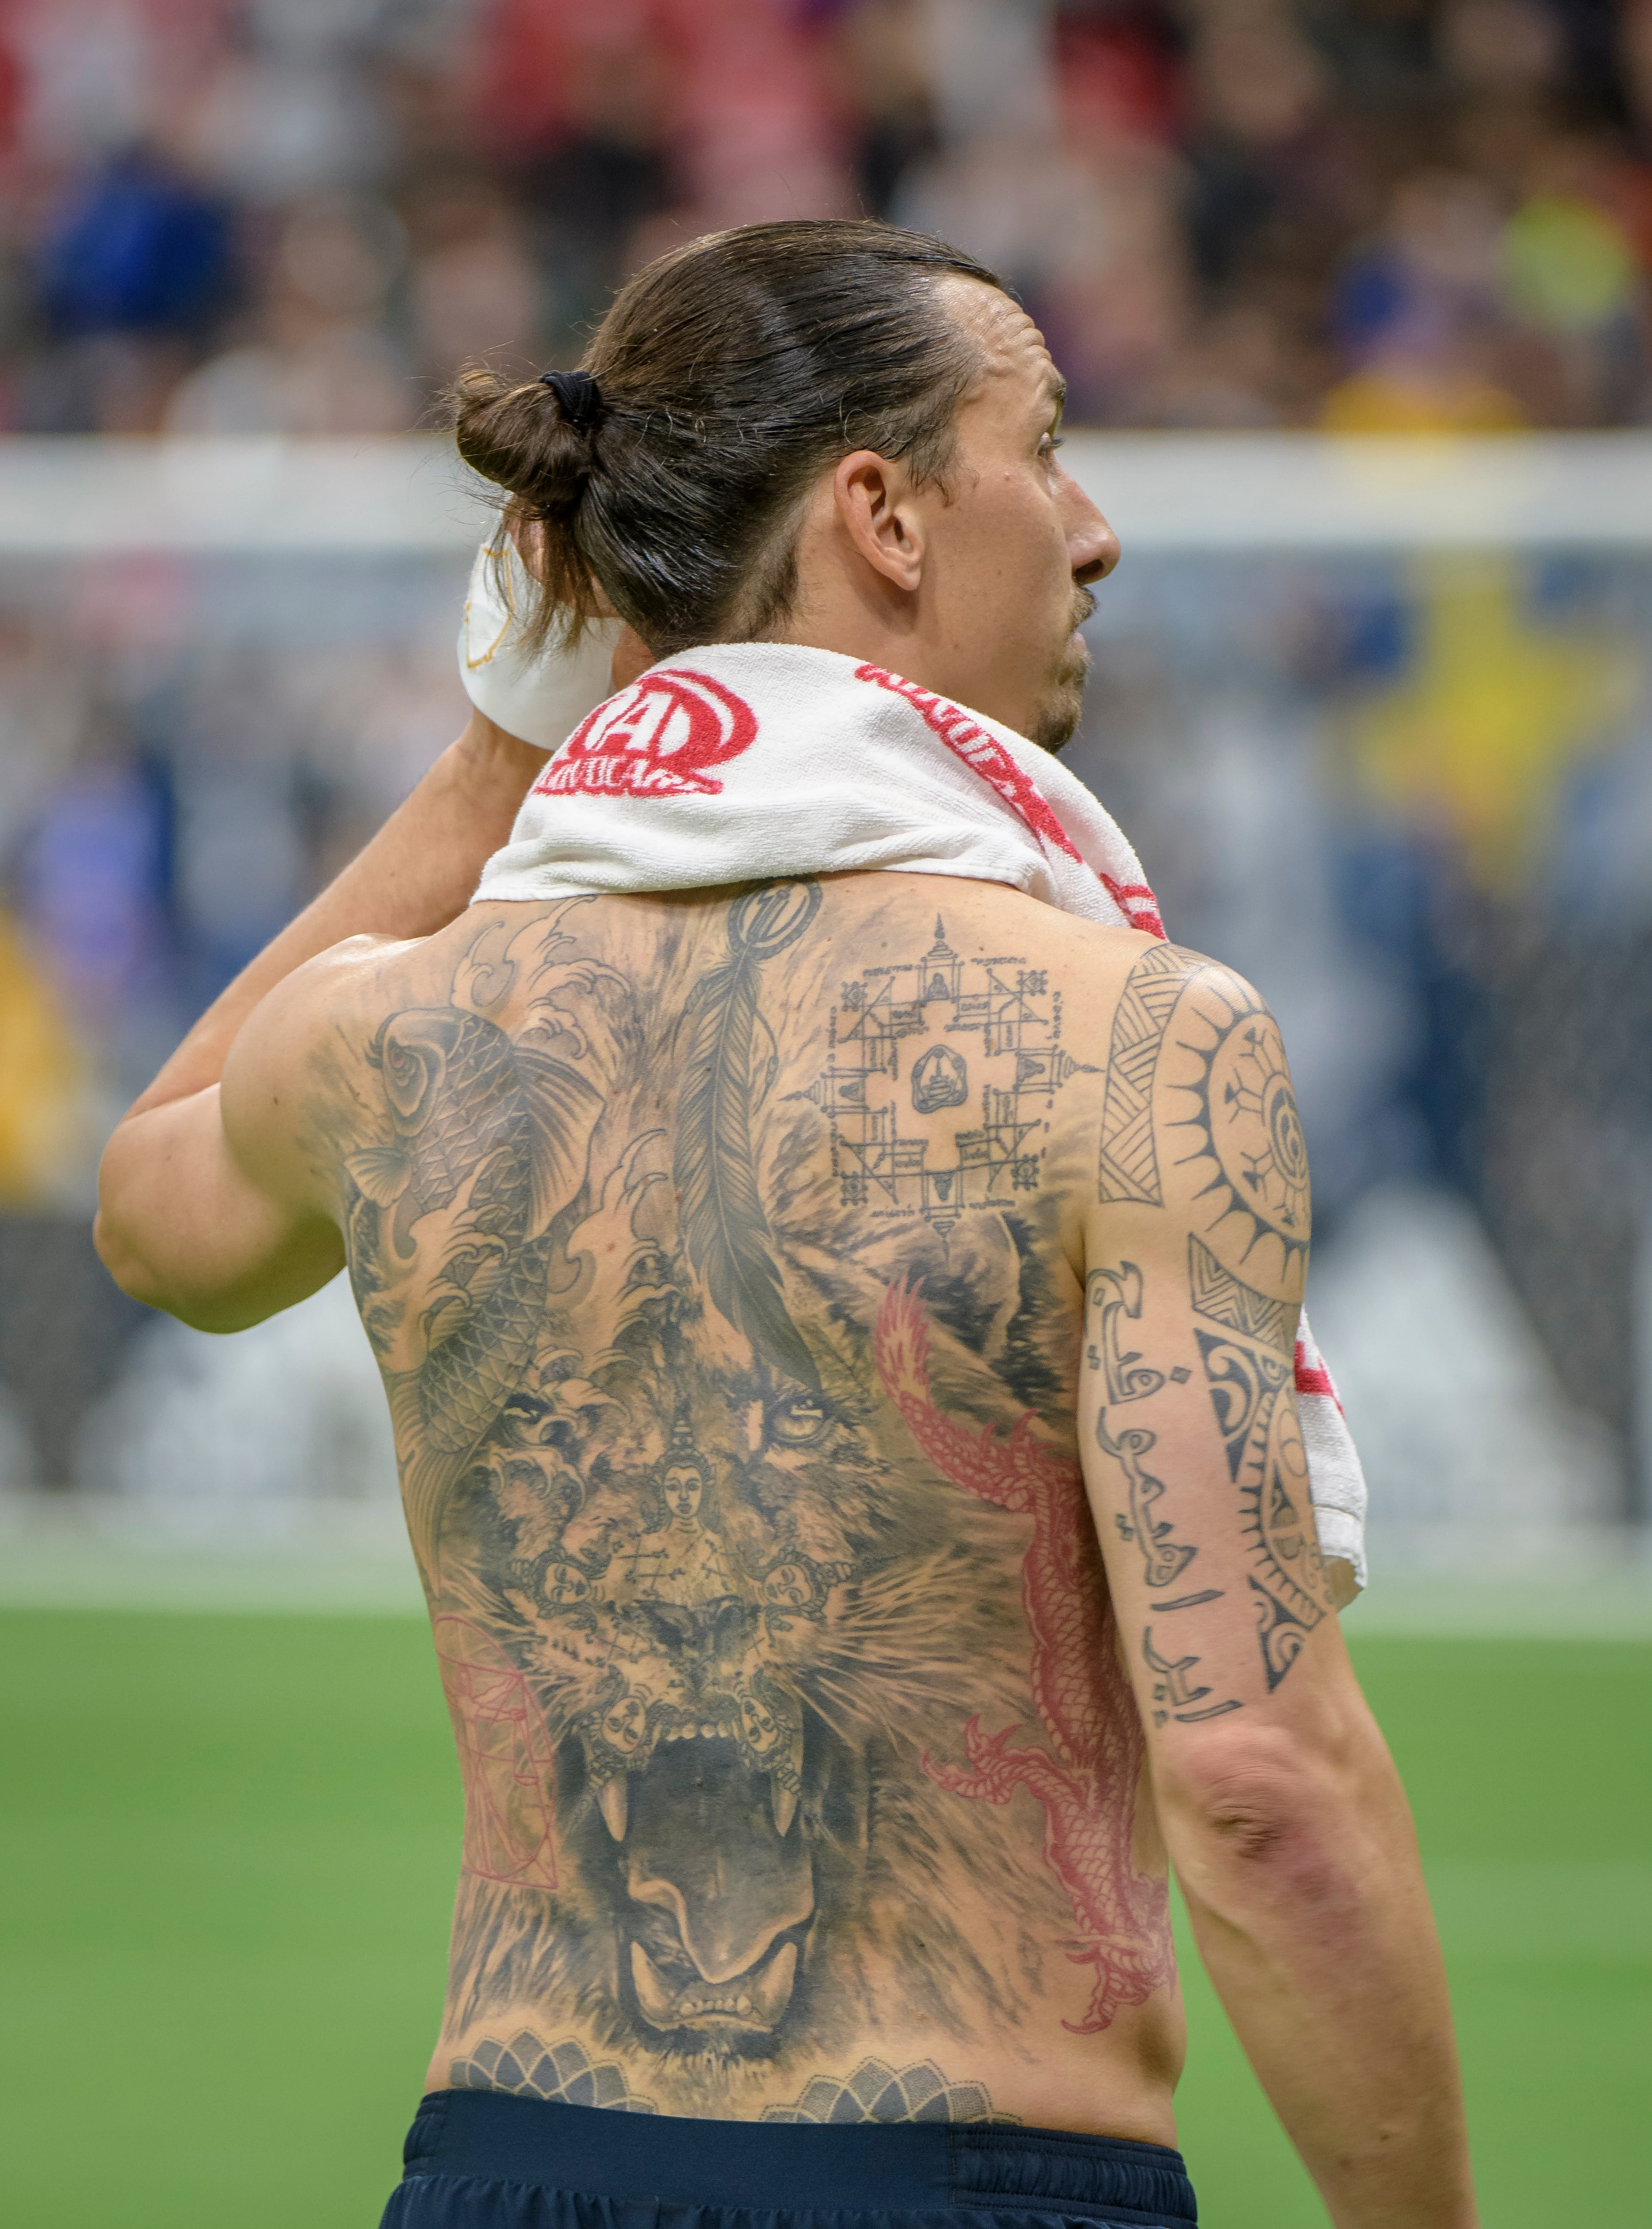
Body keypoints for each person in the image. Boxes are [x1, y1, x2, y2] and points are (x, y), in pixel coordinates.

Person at [96, 220, 1477, 2229]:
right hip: (973, 2172)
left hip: (504, 2163)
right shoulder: (1126, 1037)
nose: (1091, 529)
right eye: (1043, 445)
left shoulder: (395, 1032)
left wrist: (508, 742)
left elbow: (159, 1207)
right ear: (883, 517)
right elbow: (1257, 1789)